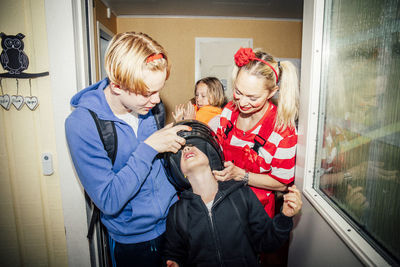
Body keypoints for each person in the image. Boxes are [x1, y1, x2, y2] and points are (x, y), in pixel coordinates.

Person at [65, 32, 191, 267]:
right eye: (147, 93)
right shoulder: (82, 124)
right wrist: (149, 147)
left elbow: (160, 169)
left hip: (175, 224)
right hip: (133, 242)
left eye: (159, 90)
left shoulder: (151, 107)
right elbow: (109, 200)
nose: (156, 100)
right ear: (117, 86)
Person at [162, 122, 302, 267]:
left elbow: (267, 241)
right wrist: (174, 262)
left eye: (193, 146)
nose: (188, 149)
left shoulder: (241, 194)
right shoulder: (177, 212)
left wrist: (285, 217)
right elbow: (174, 252)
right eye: (182, 151)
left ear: (210, 157)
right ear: (180, 172)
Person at [213, 47, 300, 218]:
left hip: (255, 215)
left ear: (272, 92)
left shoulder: (282, 129)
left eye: (253, 98)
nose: (243, 102)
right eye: (238, 92)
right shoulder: (229, 110)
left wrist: (242, 175)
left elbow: (282, 184)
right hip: (222, 204)